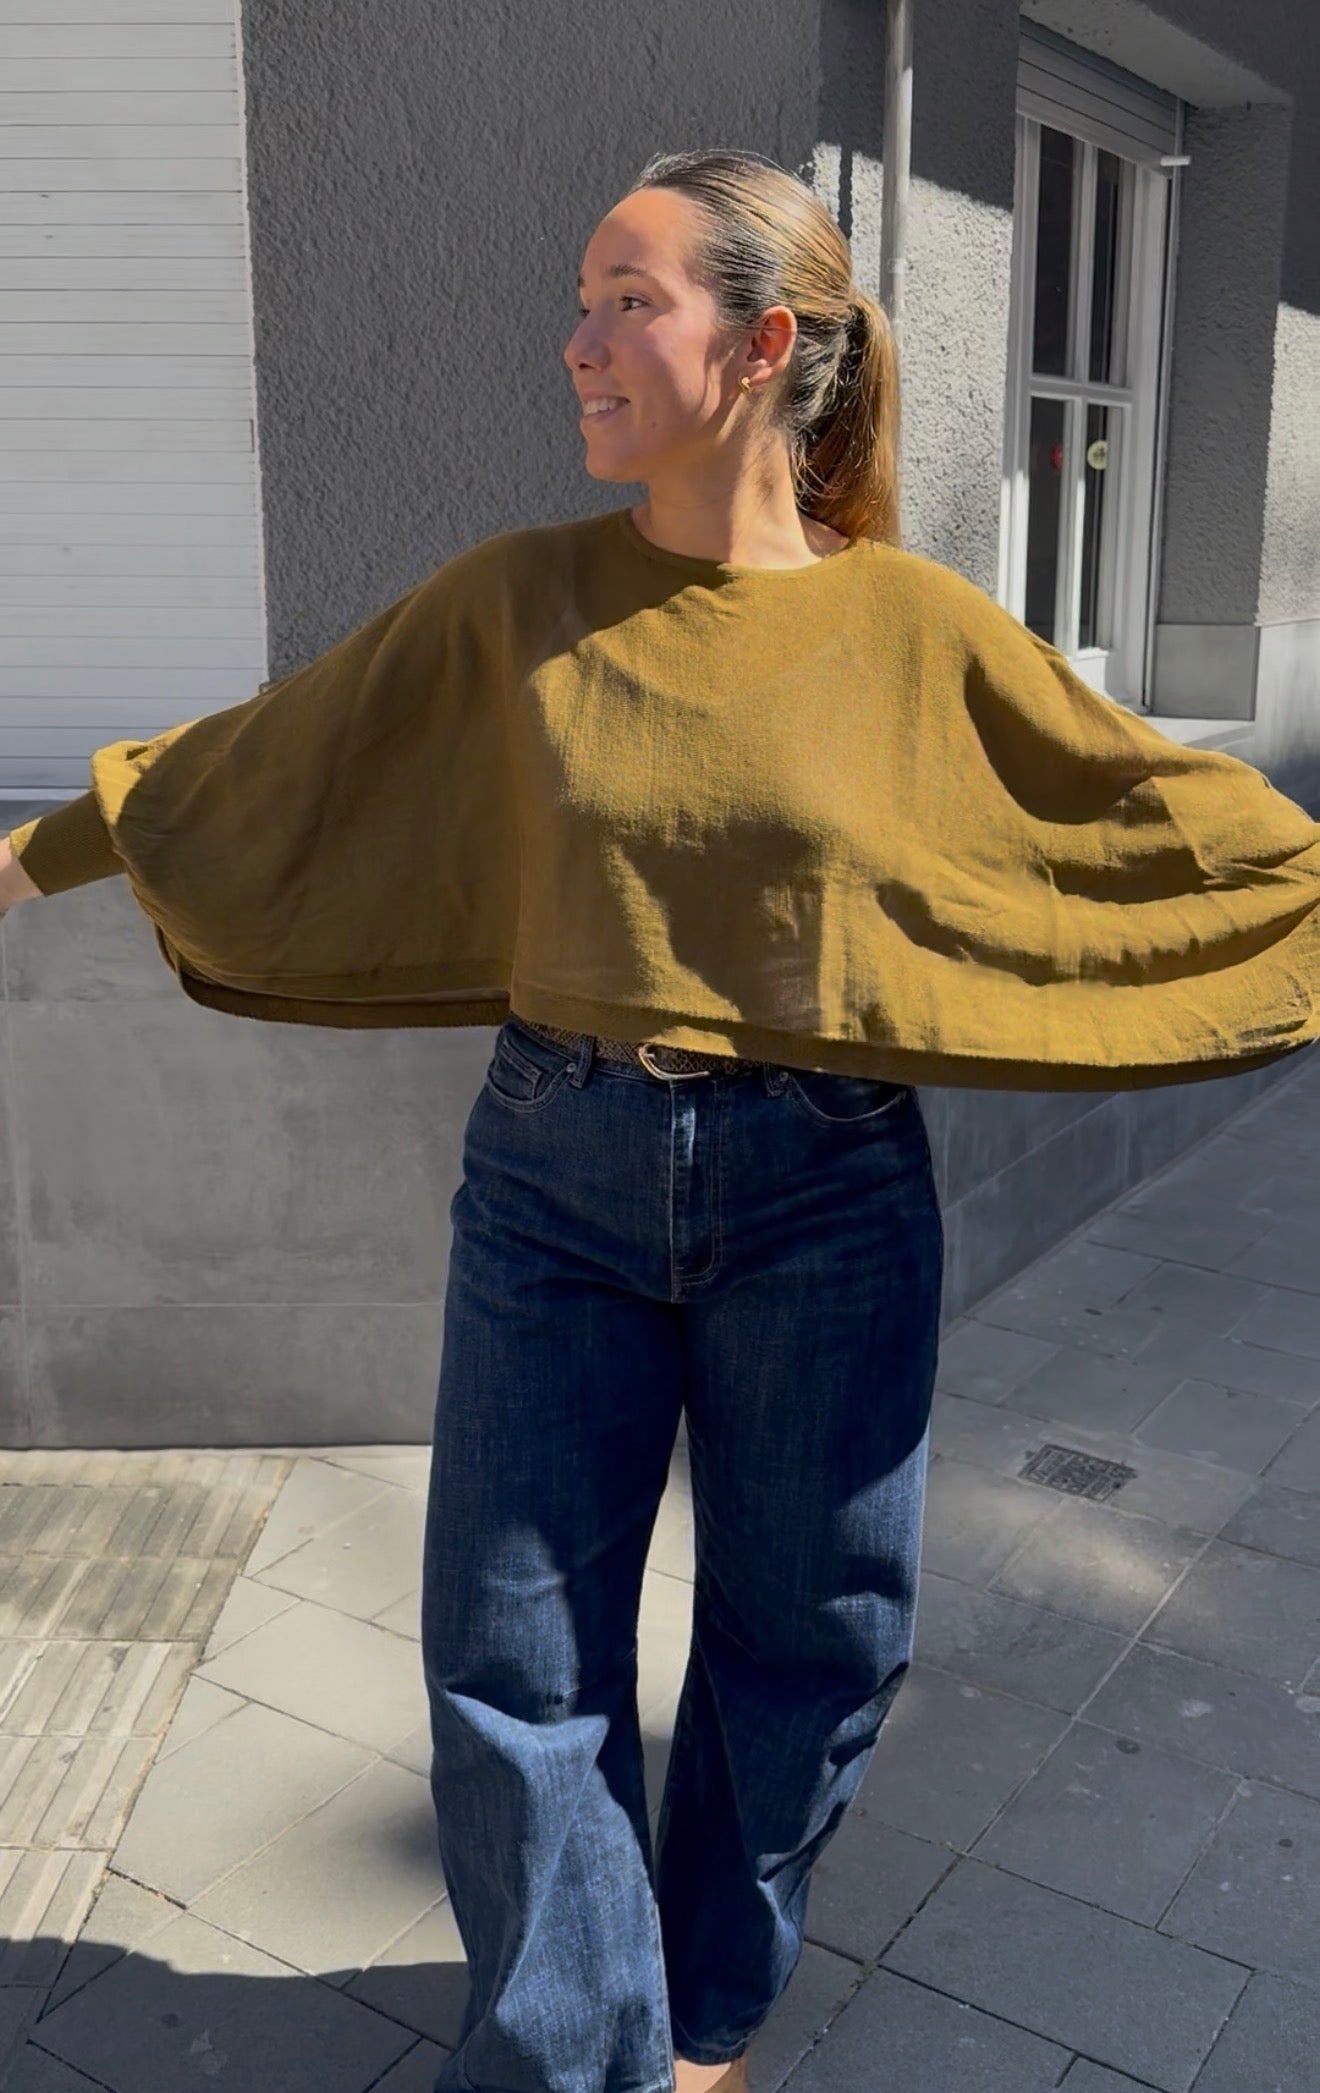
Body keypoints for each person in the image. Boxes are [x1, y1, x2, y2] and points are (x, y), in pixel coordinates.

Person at [4, 147, 1320, 2093]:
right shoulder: (518, 600)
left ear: (763, 345)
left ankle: (701, 2018)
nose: (580, 341)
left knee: (818, 1637)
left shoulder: (916, 631)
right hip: (555, 1170)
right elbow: (268, 758)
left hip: (829, 1187)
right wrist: (25, 859)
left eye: (632, 301)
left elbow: (1164, 819)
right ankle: (576, 2060)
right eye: (585, 299)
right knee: (514, 1662)